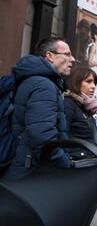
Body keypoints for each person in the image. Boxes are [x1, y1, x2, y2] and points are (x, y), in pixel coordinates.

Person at [4, 37, 74, 180]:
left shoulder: (31, 79)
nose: (72, 59)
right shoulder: (44, 86)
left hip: (18, 165)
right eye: (67, 54)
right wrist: (64, 164)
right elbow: (42, 135)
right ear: (50, 56)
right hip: (29, 172)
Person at [63, 66, 97, 162]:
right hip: (74, 165)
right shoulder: (68, 103)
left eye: (94, 83)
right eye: (88, 81)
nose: (93, 86)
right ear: (76, 82)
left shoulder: (85, 107)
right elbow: (62, 136)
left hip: (87, 163)